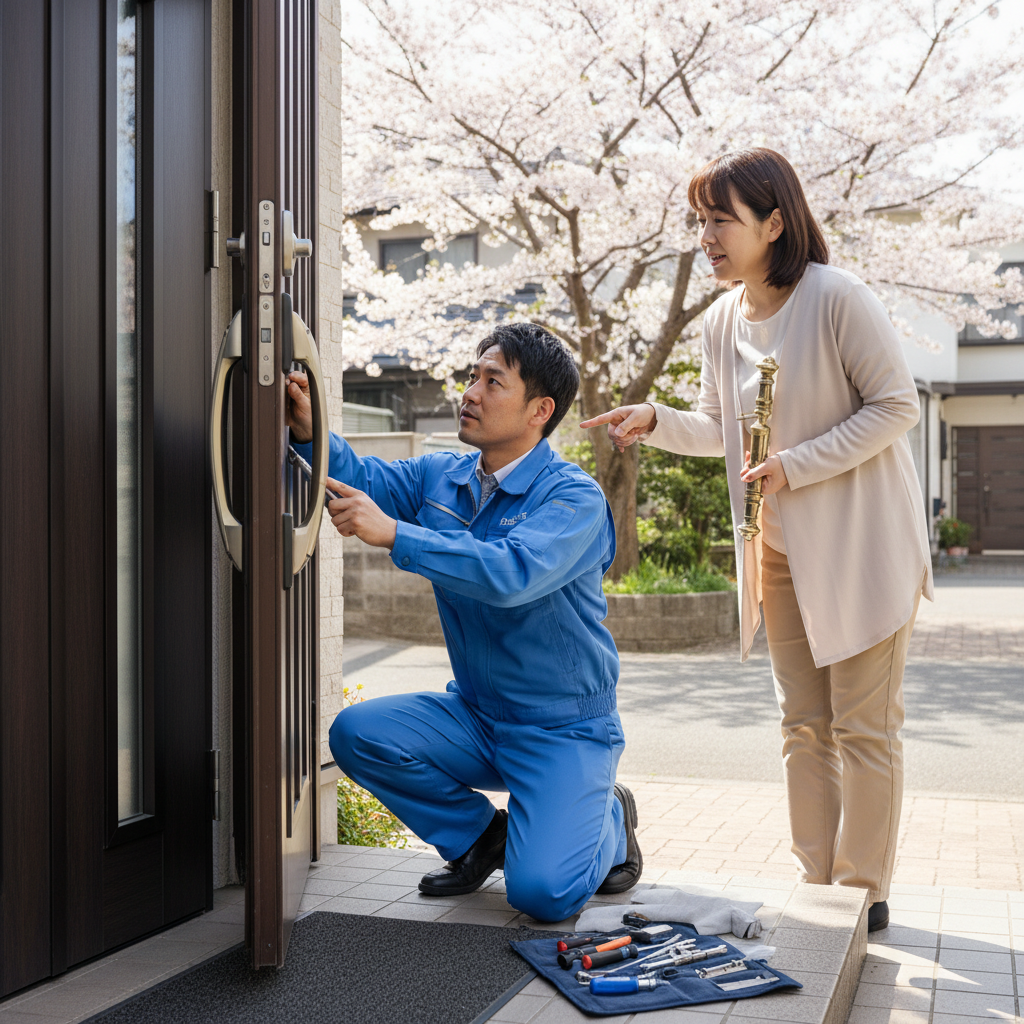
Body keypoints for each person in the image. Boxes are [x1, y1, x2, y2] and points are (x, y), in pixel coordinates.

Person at [582, 149, 932, 933]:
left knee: (864, 727)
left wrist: (795, 464)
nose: (706, 236)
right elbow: (721, 428)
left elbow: (896, 405)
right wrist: (657, 421)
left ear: (774, 224)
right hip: (777, 551)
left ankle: (862, 892)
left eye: (721, 220)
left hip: (862, 545)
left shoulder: (836, 298)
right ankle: (819, 886)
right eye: (700, 221)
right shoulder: (719, 320)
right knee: (802, 725)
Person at [287, 323, 643, 923]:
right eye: (473, 376)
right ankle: (483, 840)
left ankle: (609, 816)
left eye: (492, 381)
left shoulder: (572, 499)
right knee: (356, 733)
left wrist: (396, 534)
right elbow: (363, 479)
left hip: (563, 730)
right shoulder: (441, 477)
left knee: (543, 897)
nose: (470, 393)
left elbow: (512, 574)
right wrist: (308, 431)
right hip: (477, 716)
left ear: (540, 410)